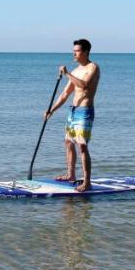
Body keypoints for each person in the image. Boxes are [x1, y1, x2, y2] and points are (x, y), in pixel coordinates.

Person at [44, 39, 100, 191]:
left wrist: (67, 73)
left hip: (85, 111)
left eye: (77, 50)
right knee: (68, 142)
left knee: (82, 145)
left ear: (86, 52)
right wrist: (51, 110)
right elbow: (64, 94)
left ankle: (87, 182)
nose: (74, 53)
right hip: (73, 111)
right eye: (74, 50)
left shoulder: (93, 67)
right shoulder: (75, 71)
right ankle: (71, 175)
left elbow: (84, 85)